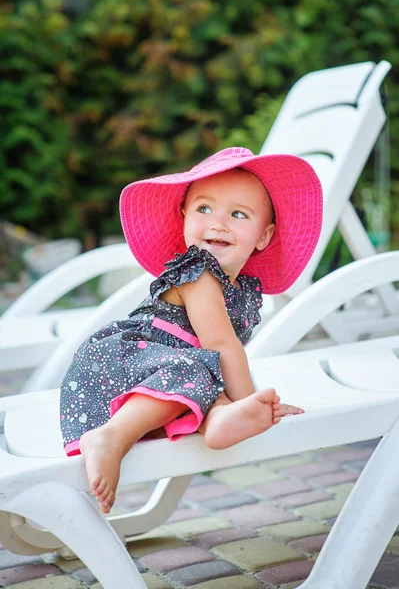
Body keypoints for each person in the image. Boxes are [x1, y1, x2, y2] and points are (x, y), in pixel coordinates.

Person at [60, 146, 323, 514]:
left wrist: (252, 407)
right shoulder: (197, 272)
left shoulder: (240, 286)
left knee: (199, 370)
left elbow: (216, 358)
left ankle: (217, 417)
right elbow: (222, 345)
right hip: (120, 362)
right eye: (204, 209)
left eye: (238, 214)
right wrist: (248, 401)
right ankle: (109, 438)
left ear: (263, 236)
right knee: (197, 368)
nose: (218, 223)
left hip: (163, 374)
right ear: (183, 218)